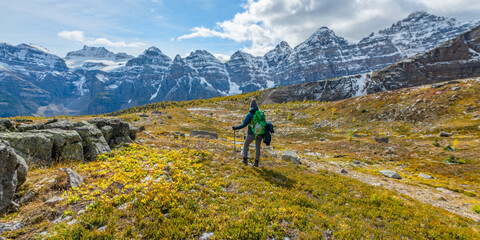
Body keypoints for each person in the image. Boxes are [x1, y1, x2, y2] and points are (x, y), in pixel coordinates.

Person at [232, 99, 263, 167]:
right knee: (258, 148)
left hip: (251, 133)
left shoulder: (249, 114)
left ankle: (245, 160)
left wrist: (236, 128)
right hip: (260, 133)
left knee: (245, 145)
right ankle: (256, 163)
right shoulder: (260, 113)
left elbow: (244, 124)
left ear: (251, 106)